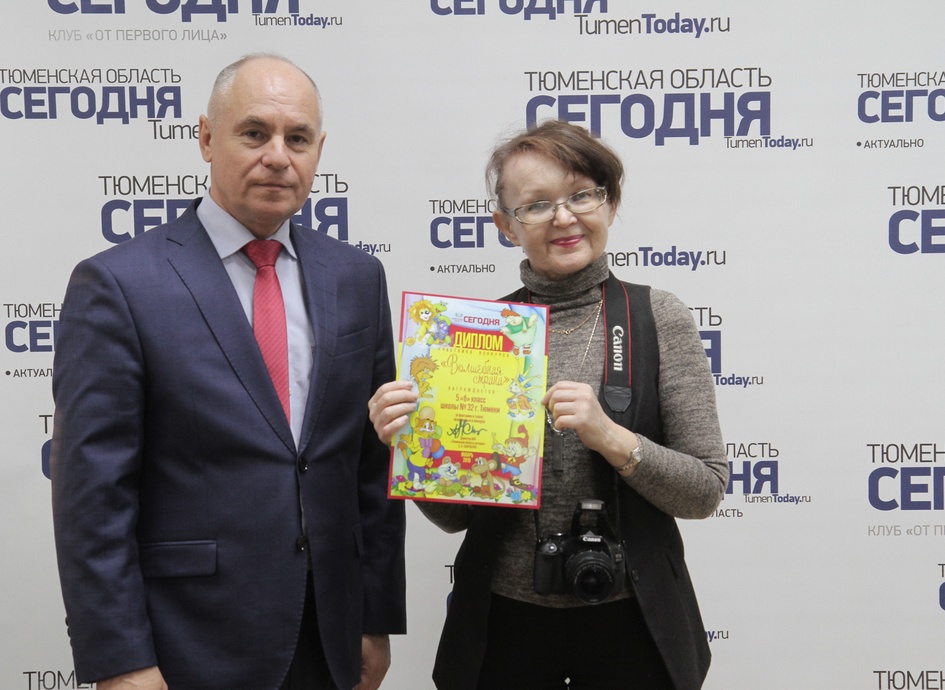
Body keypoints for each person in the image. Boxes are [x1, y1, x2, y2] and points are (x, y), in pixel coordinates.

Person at [50, 54, 406, 690]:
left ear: (319, 150)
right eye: (254, 133)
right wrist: (121, 660)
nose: (278, 156)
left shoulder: (357, 277)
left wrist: (374, 617)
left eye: (298, 138)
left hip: (328, 638)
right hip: (185, 645)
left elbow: (371, 466)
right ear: (207, 138)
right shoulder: (118, 284)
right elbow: (93, 498)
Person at [369, 120, 727, 690]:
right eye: (536, 205)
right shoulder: (472, 337)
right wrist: (411, 450)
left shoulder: (658, 318)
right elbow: (455, 518)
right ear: (506, 226)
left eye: (582, 195)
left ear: (609, 204)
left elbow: (704, 491)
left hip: (631, 618)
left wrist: (612, 438)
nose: (564, 218)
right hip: (503, 623)